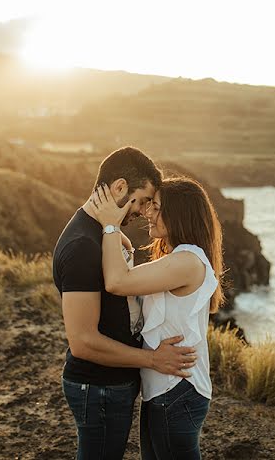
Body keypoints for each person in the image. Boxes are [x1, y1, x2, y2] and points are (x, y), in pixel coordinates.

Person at [53, 147, 198, 460]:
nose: (145, 212)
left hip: (110, 384)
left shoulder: (102, 236)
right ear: (119, 188)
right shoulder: (83, 246)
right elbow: (82, 342)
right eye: (142, 200)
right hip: (98, 386)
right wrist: (153, 360)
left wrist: (115, 231)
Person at [88, 176, 225, 460]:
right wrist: (121, 239)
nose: (148, 213)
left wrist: (111, 225)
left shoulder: (187, 261)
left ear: (179, 214)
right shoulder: (179, 258)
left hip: (176, 391)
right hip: (165, 390)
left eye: (157, 207)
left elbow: (116, 282)